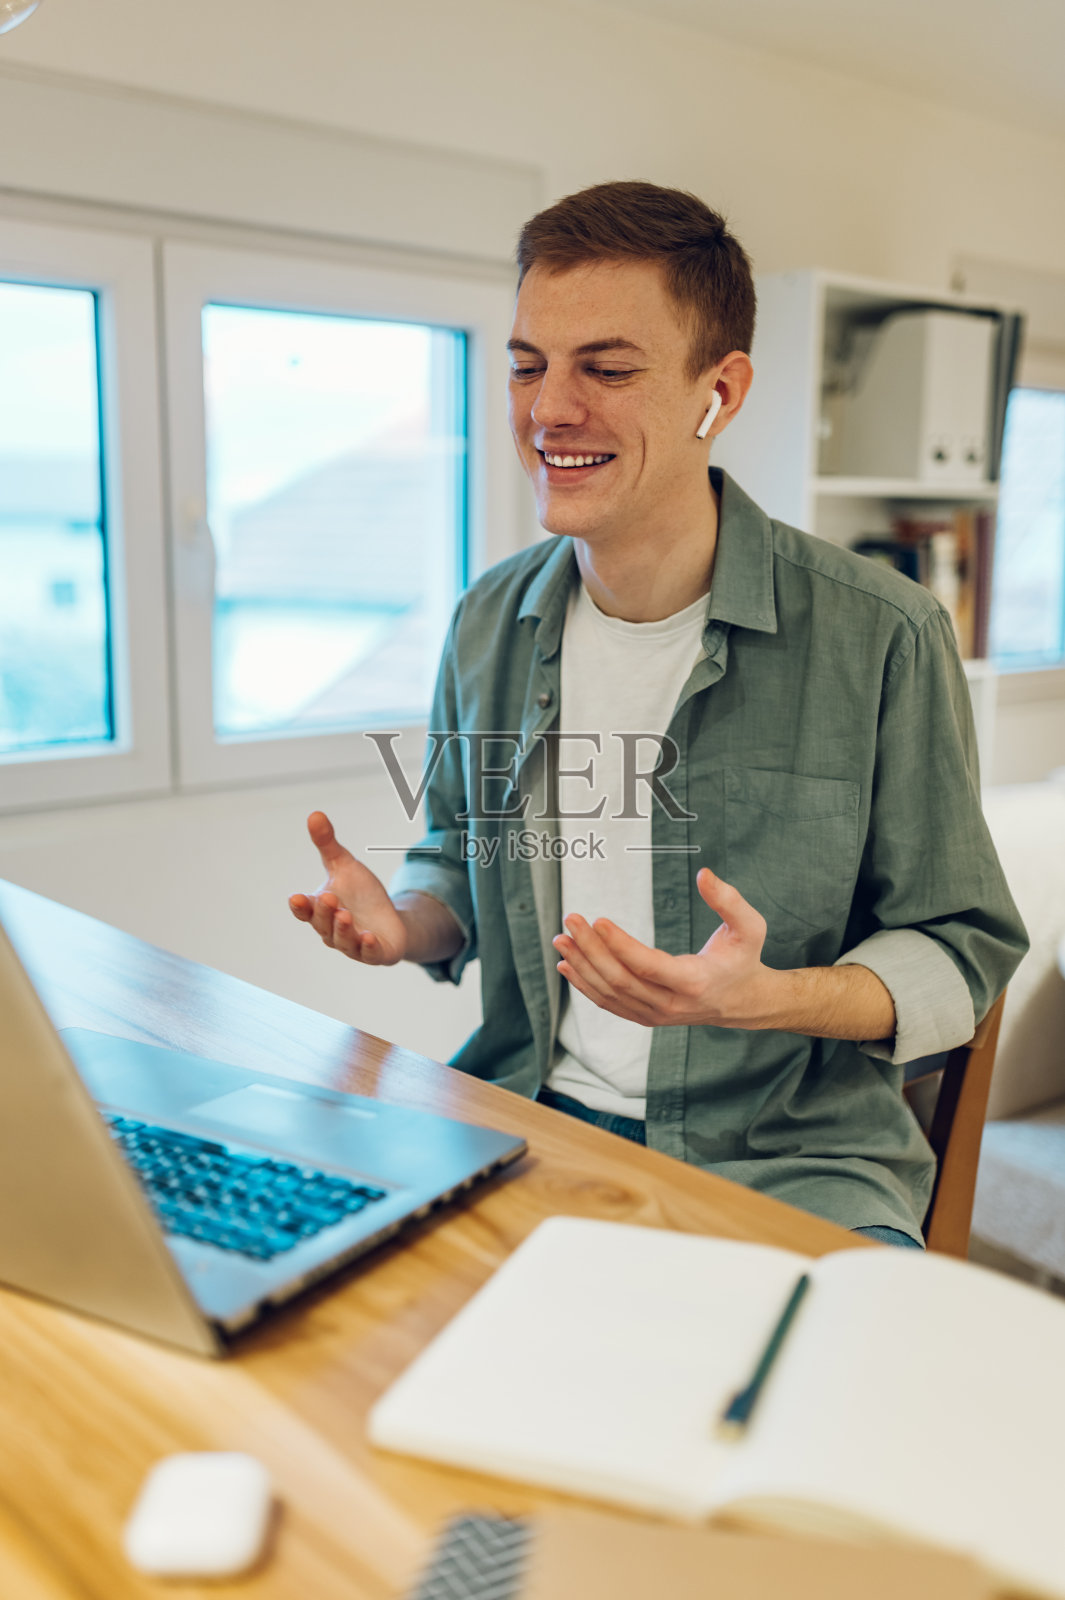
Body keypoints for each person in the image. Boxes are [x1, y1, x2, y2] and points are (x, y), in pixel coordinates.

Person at [290, 181, 1027, 1246]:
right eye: (528, 364)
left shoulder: (885, 633)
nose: (549, 409)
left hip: (790, 1159)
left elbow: (960, 949)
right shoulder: (489, 618)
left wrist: (764, 998)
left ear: (717, 391)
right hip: (521, 1118)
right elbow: (456, 857)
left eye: (608, 368)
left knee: (830, 1397)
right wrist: (402, 923)